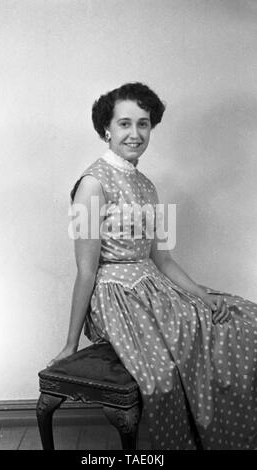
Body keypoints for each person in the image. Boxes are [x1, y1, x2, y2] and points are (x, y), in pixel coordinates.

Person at [48, 82, 257, 450]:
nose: (135, 133)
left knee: (242, 318)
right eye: (125, 123)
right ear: (106, 129)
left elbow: (163, 258)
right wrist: (69, 344)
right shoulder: (91, 185)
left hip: (154, 286)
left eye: (143, 124)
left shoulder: (147, 185)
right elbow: (85, 270)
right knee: (165, 373)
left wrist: (200, 294)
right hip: (118, 298)